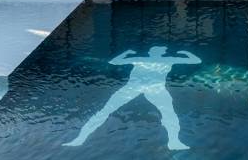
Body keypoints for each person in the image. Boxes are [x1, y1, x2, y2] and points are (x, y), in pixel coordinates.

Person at [64, 46, 201, 150]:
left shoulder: (142, 59)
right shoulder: (166, 59)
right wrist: (185, 53)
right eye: (160, 51)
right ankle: (174, 142)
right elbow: (196, 60)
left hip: (144, 88)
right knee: (169, 114)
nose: (159, 53)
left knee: (105, 111)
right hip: (148, 88)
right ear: (159, 52)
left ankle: (174, 142)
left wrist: (126, 53)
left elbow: (113, 62)